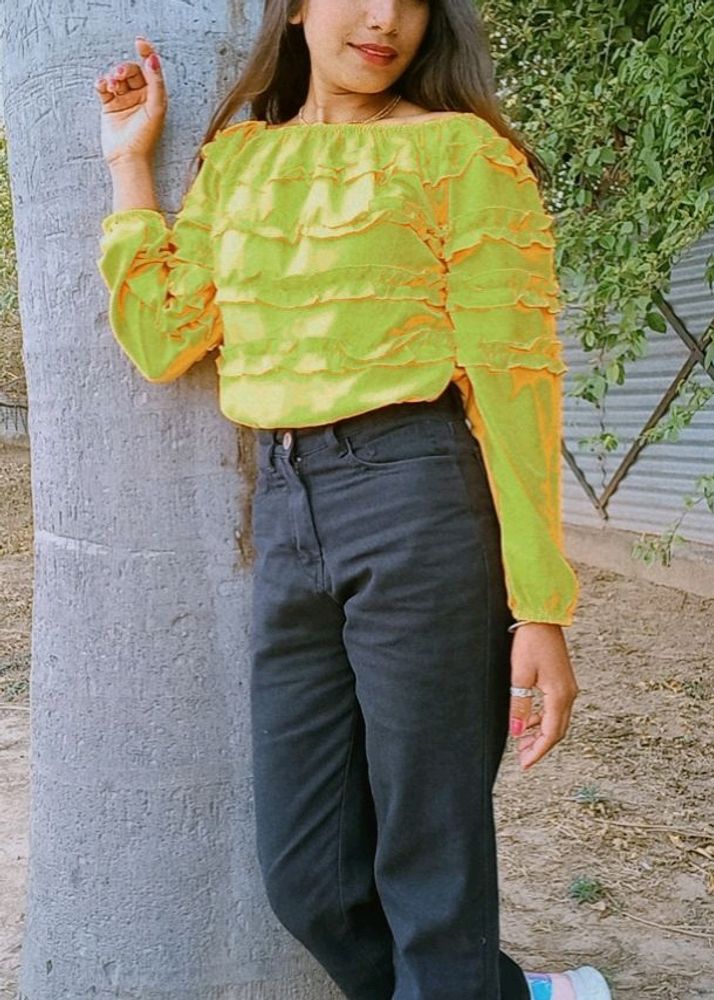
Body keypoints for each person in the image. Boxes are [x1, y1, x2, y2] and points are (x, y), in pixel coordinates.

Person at [94, 3, 612, 998]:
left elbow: (514, 375)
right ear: (295, 7)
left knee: (431, 868)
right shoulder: (239, 161)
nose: (386, 20)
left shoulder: (460, 154)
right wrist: (129, 166)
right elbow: (166, 340)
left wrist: (540, 602)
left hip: (417, 494)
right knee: (309, 876)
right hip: (287, 511)